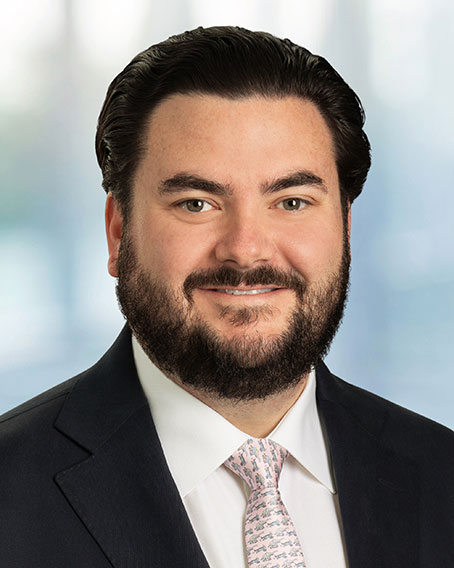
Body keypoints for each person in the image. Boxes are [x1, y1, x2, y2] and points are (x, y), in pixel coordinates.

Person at [1, 26, 452, 568]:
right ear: (118, 232)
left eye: (291, 202)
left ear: (346, 227)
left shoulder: (441, 473)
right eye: (196, 203)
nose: (245, 250)